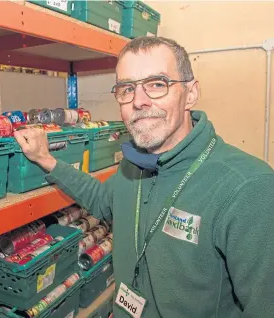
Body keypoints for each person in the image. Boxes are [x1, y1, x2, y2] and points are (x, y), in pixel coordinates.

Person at [14, 36, 274, 318]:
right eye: (127, 88)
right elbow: (103, 200)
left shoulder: (248, 188)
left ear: (191, 94)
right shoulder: (135, 163)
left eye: (157, 84)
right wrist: (47, 160)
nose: (139, 101)